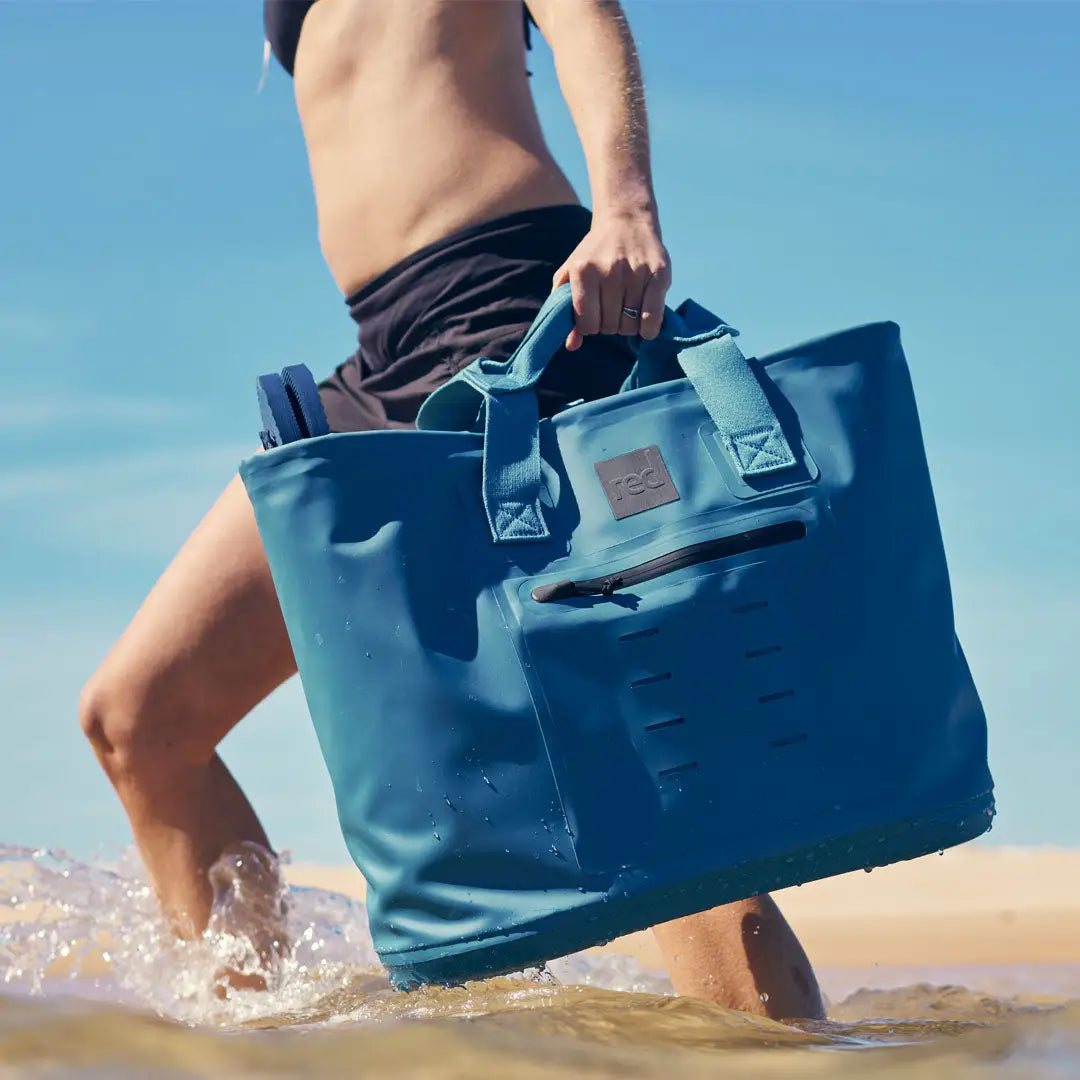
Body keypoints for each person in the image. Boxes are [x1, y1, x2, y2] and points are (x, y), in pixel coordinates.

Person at [79, 0, 823, 1020]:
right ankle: (247, 1033)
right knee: (139, 719)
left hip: (521, 316)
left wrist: (627, 205)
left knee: (634, 768)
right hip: (378, 362)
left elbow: (582, 16)